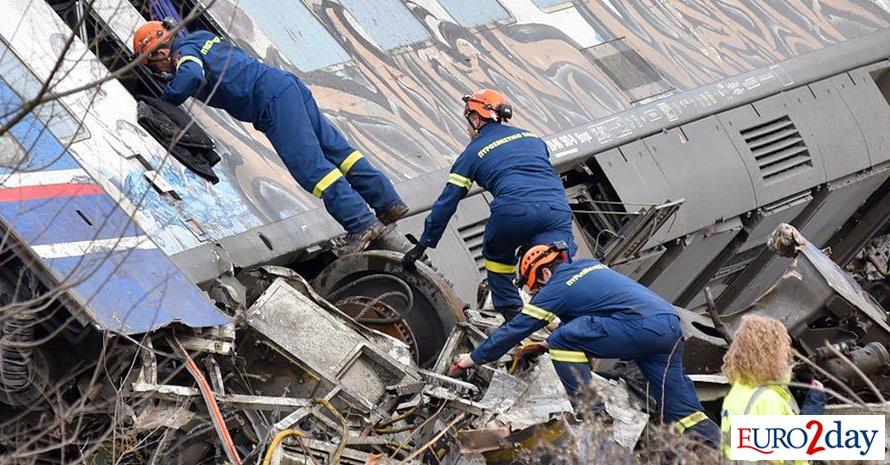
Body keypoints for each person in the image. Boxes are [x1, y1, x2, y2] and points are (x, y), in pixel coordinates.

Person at [132, 20, 408, 253]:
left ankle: (361, 223)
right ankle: (387, 203)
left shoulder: (184, 52)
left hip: (271, 100)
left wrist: (164, 102)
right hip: (285, 85)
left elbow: (191, 75)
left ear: (159, 53)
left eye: (151, 63)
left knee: (311, 168)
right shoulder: (201, 38)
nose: (157, 71)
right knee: (338, 152)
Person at [447, 243, 722, 445]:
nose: (540, 294)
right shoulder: (588, 266)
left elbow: (516, 330)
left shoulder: (557, 286)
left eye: (537, 289)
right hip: (668, 329)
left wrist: (469, 360)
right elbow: (596, 313)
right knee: (683, 412)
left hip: (640, 328)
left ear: (543, 274)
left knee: (560, 340)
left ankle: (594, 416)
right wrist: (543, 347)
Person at [402, 89, 574, 320]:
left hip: (513, 212)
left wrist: (424, 244)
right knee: (557, 261)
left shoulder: (471, 154)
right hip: (557, 210)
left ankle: (513, 315)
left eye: (468, 120)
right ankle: (570, 313)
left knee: (496, 256)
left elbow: (447, 203)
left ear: (475, 118)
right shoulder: (532, 138)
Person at [720, 315, 825, 460]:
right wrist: (813, 408)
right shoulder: (768, 400)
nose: (787, 355)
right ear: (772, 354)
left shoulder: (736, 392)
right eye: (784, 349)